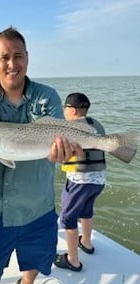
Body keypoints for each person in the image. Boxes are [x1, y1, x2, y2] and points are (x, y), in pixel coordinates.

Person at [0, 27, 82, 284]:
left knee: (38, 260)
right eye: (4, 57)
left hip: (38, 205)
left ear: (27, 57)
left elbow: (57, 144)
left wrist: (63, 153)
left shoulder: (47, 95)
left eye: (18, 56)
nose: (12, 64)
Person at [54, 92, 106, 272]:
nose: (64, 112)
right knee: (86, 212)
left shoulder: (70, 128)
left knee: (68, 220)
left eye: (65, 108)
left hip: (79, 181)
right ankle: (86, 243)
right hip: (98, 181)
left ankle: (73, 260)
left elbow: (62, 155)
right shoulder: (96, 124)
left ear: (73, 110)